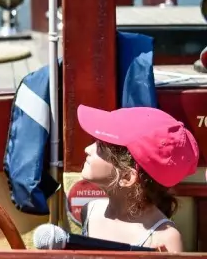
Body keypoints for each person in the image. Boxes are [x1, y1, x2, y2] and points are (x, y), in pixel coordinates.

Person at [77, 104, 200, 252]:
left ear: (127, 177)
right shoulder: (89, 211)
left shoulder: (164, 238)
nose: (87, 149)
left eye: (101, 147)